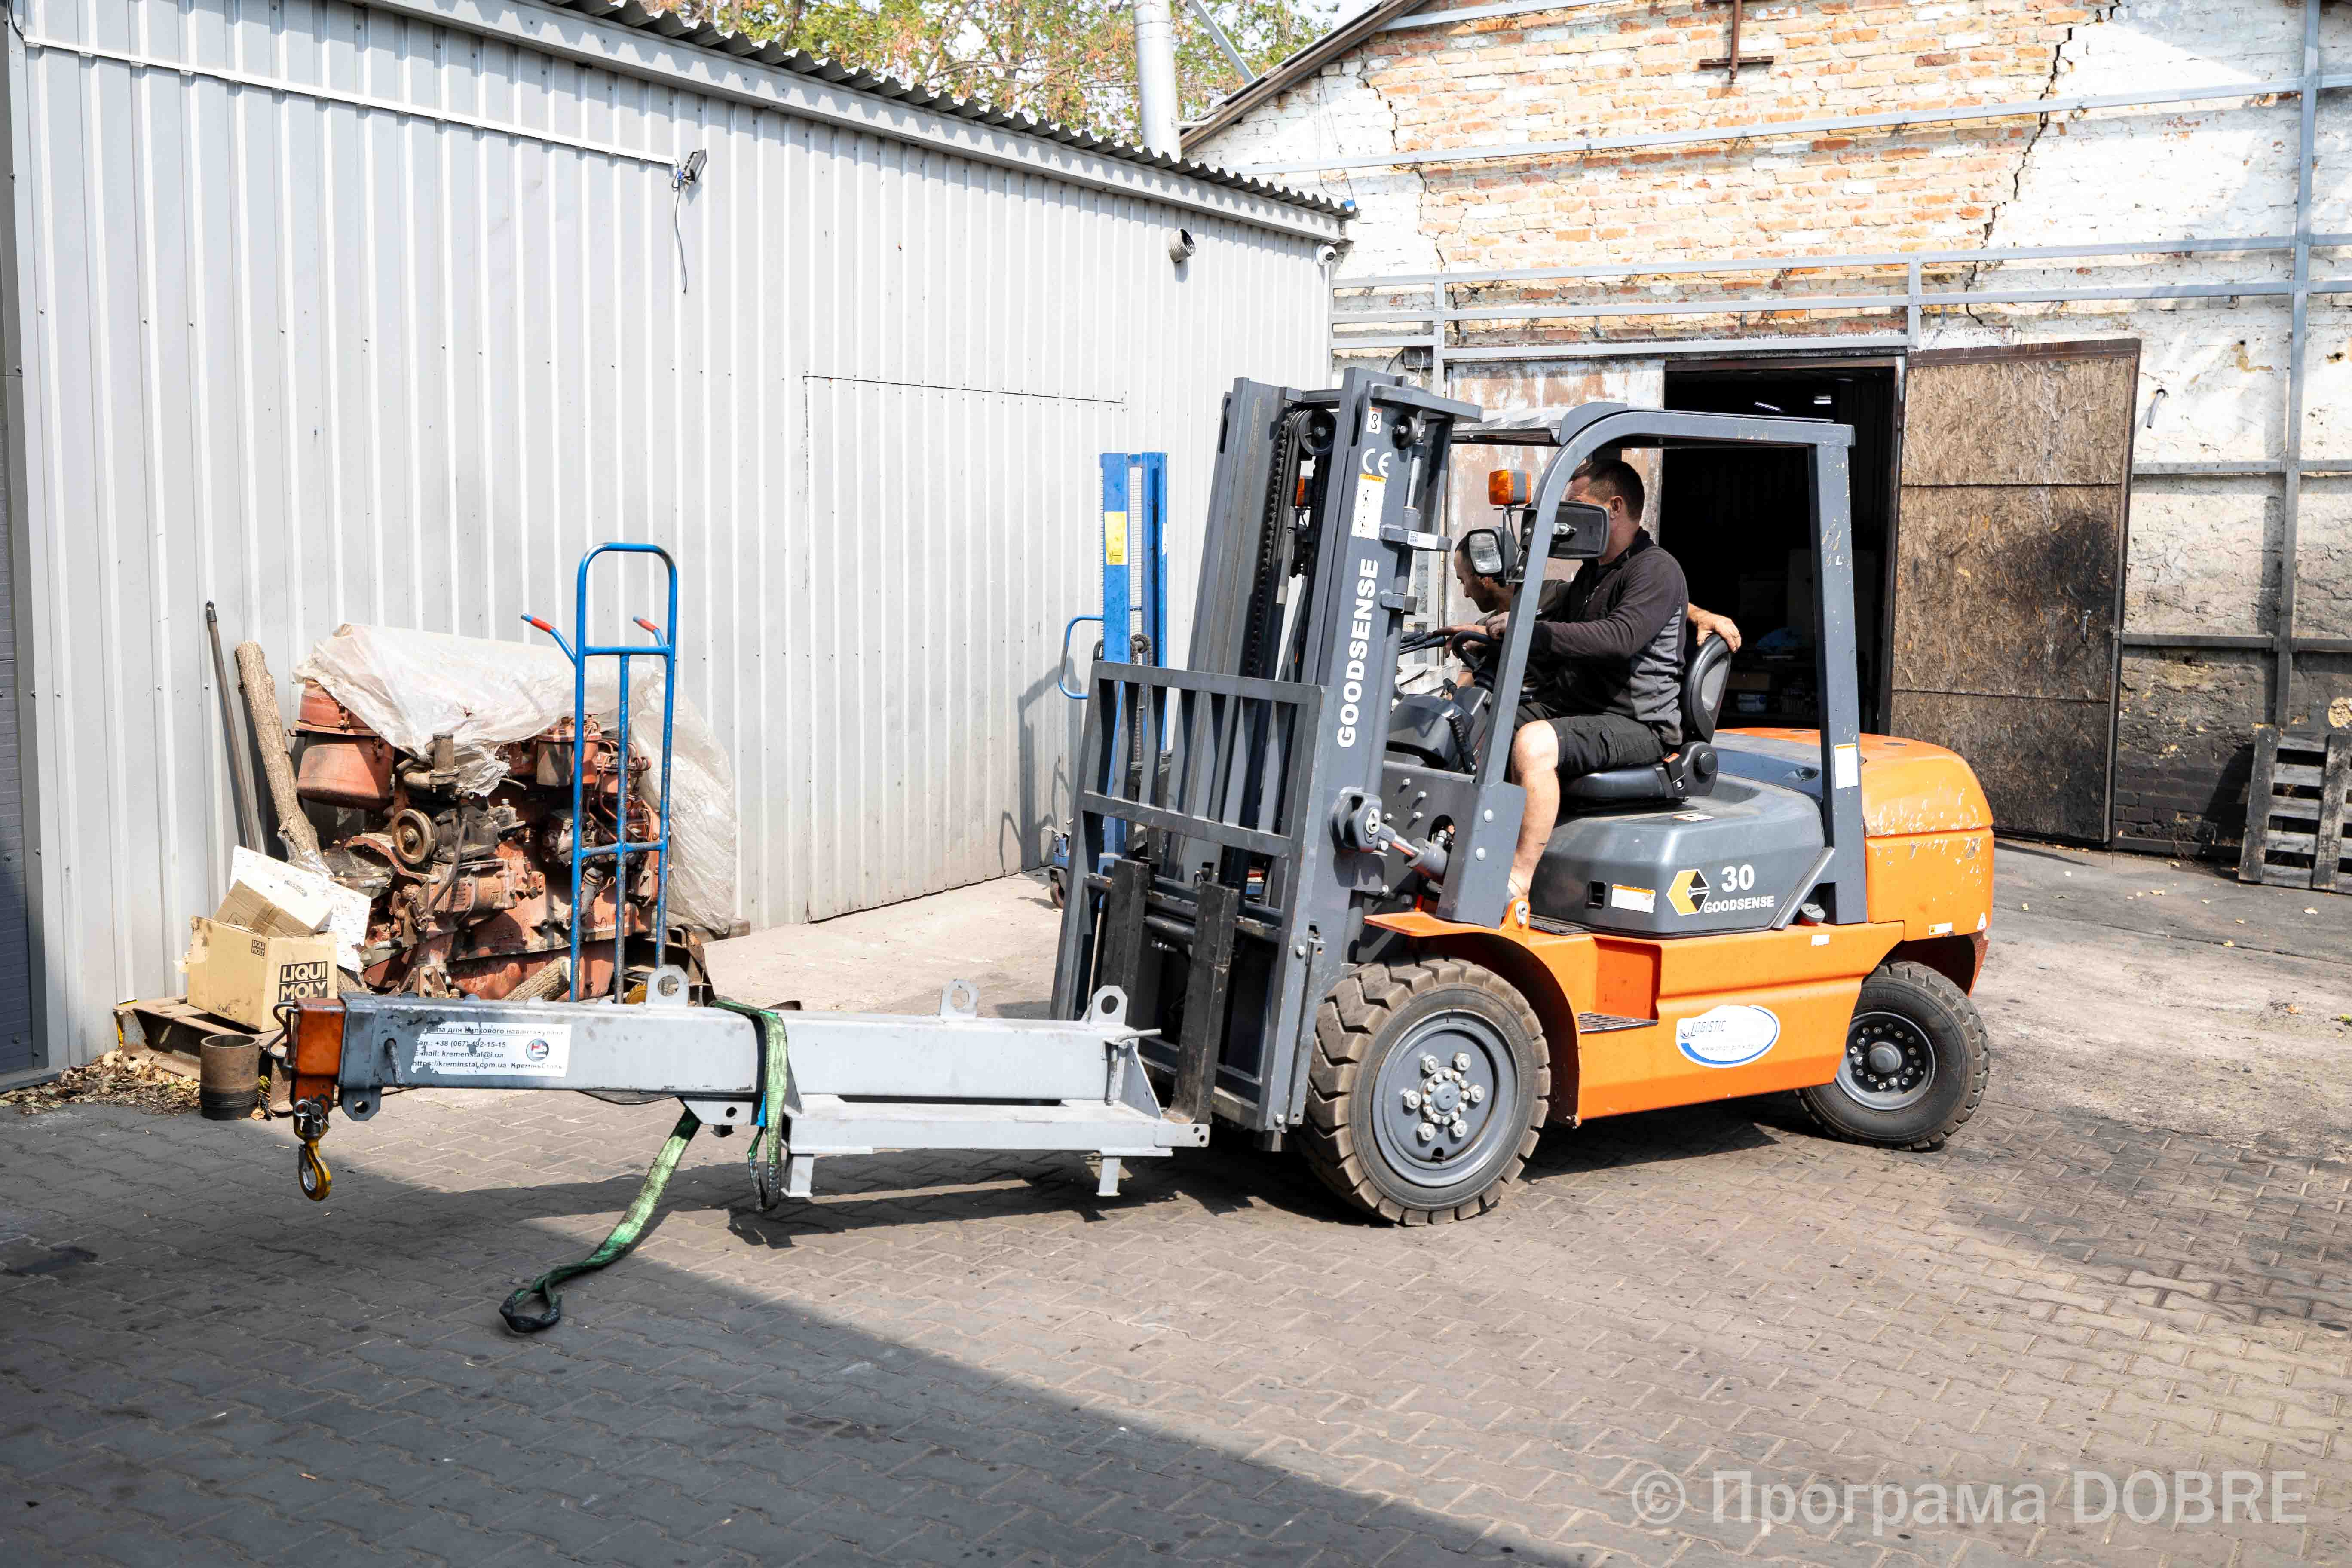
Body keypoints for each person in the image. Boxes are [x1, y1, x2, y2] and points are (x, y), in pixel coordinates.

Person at [1442, 457, 1723, 905]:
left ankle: (1517, 879)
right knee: (1474, 720)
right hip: (1581, 708)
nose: (1568, 515)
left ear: (1614, 507)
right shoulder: (1594, 572)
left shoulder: (1655, 569)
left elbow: (1618, 638)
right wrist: (1482, 632)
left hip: (1637, 723)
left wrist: (1533, 634)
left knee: (1534, 743)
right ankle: (1461, 840)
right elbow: (1552, 608)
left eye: (1577, 503)